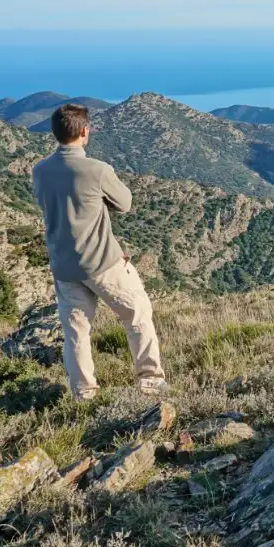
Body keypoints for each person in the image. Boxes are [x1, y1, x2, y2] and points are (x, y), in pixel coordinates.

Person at [31, 103, 167, 400]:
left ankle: (84, 394)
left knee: (77, 333)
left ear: (54, 133)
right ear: (85, 132)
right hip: (103, 262)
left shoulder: (40, 171)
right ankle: (150, 382)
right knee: (138, 316)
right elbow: (125, 203)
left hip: (64, 266)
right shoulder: (97, 170)